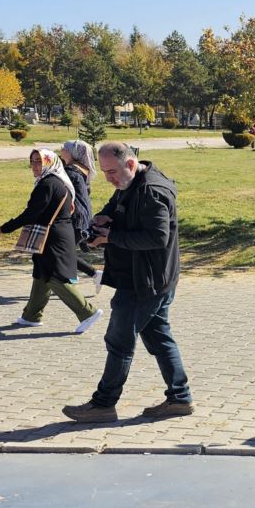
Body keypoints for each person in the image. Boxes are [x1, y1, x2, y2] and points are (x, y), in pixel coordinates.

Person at [61, 142, 193, 423]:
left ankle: (103, 405)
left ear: (131, 164)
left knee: (119, 342)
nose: (109, 178)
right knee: (159, 337)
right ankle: (180, 398)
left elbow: (157, 238)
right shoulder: (133, 182)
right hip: (152, 278)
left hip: (145, 282)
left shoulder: (152, 192)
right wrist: (104, 216)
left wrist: (111, 237)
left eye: (112, 172)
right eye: (105, 172)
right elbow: (120, 200)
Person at [0, 148, 104, 334]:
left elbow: (31, 213)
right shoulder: (59, 180)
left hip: (52, 237)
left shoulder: (48, 184)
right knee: (42, 274)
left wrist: (5, 228)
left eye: (39, 161)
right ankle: (31, 316)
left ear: (49, 162)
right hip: (58, 233)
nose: (34, 166)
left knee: (54, 276)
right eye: (32, 161)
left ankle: (87, 312)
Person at [60, 139, 104, 295]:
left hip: (74, 218)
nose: (61, 149)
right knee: (65, 251)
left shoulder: (70, 171)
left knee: (61, 251)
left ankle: (94, 275)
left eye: (64, 148)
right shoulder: (82, 170)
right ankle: (72, 278)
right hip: (81, 217)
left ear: (73, 153)